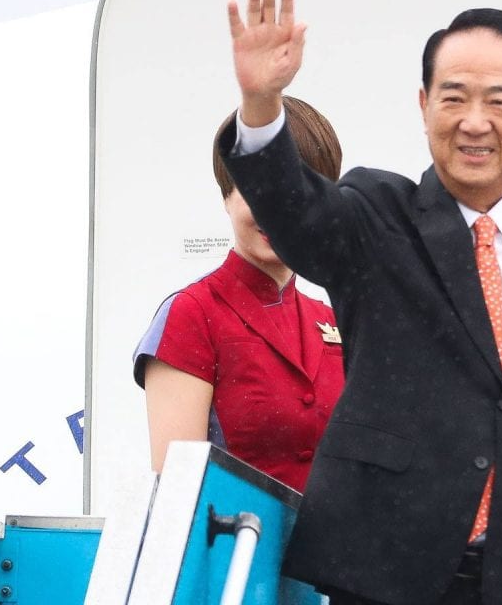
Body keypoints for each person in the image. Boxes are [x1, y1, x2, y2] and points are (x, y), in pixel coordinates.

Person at [220, 0, 502, 604]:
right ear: (423, 105)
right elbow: (295, 211)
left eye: (499, 100)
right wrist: (260, 103)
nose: (474, 122)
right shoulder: (377, 216)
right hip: (391, 570)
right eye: (454, 98)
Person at [133, 96, 346, 494]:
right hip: (234, 534)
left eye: (298, 189)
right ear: (226, 197)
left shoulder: (335, 321)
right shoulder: (192, 314)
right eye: (257, 189)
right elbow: (178, 492)